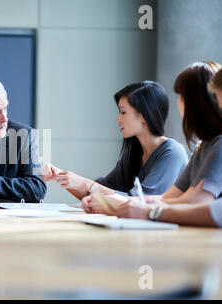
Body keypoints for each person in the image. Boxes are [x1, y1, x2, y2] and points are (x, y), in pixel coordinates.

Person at [83, 62, 222, 223]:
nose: (178, 103)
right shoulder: (202, 147)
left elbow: (195, 201)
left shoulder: (183, 150)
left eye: (181, 97)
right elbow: (169, 198)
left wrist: (146, 210)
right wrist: (118, 202)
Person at [43, 81, 188, 200]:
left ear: (144, 115)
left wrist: (86, 184)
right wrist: (60, 176)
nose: (118, 119)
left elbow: (141, 202)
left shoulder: (173, 153)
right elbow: (97, 195)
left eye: (123, 112)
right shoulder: (133, 154)